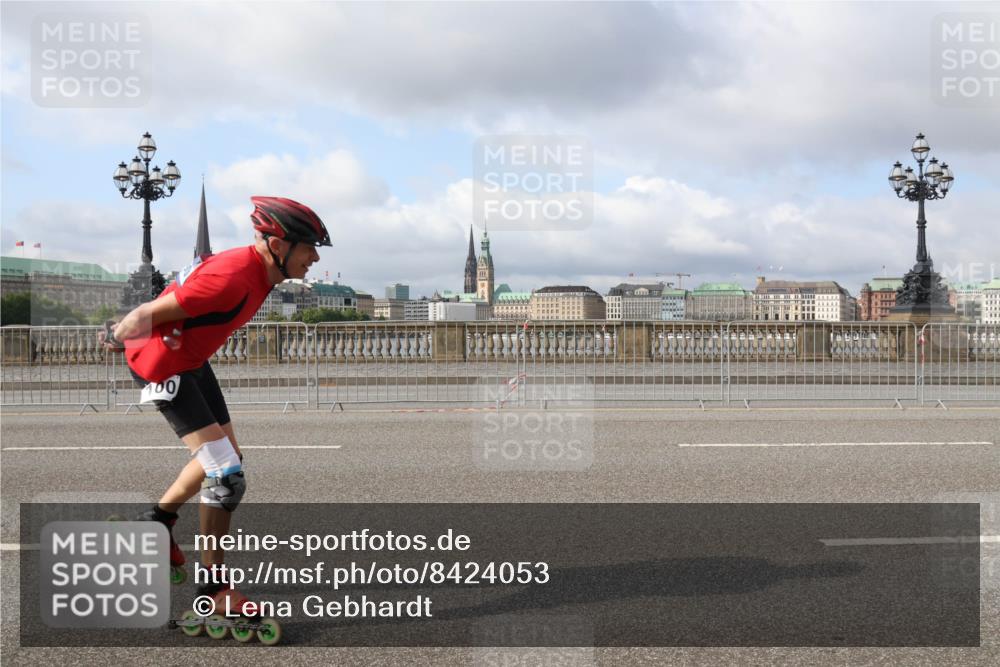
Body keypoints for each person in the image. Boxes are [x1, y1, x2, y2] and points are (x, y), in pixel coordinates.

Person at [101, 196, 331, 617]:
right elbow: (145, 314)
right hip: (163, 361)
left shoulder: (259, 273)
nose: (315, 256)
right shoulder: (233, 277)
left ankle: (156, 522)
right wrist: (117, 335)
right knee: (226, 475)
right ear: (277, 246)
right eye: (308, 246)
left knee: (228, 458)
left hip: (190, 358)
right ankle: (214, 590)